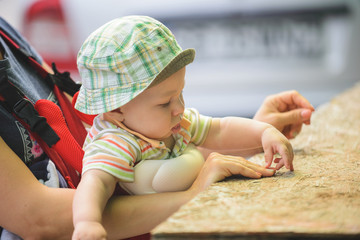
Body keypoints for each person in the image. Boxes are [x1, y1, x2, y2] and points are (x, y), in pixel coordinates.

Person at [0, 16, 314, 240]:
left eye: (181, 94)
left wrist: (262, 132)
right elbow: (92, 186)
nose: (179, 108)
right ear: (116, 109)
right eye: (165, 103)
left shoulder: (167, 120)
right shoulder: (115, 143)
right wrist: (88, 222)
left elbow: (218, 130)